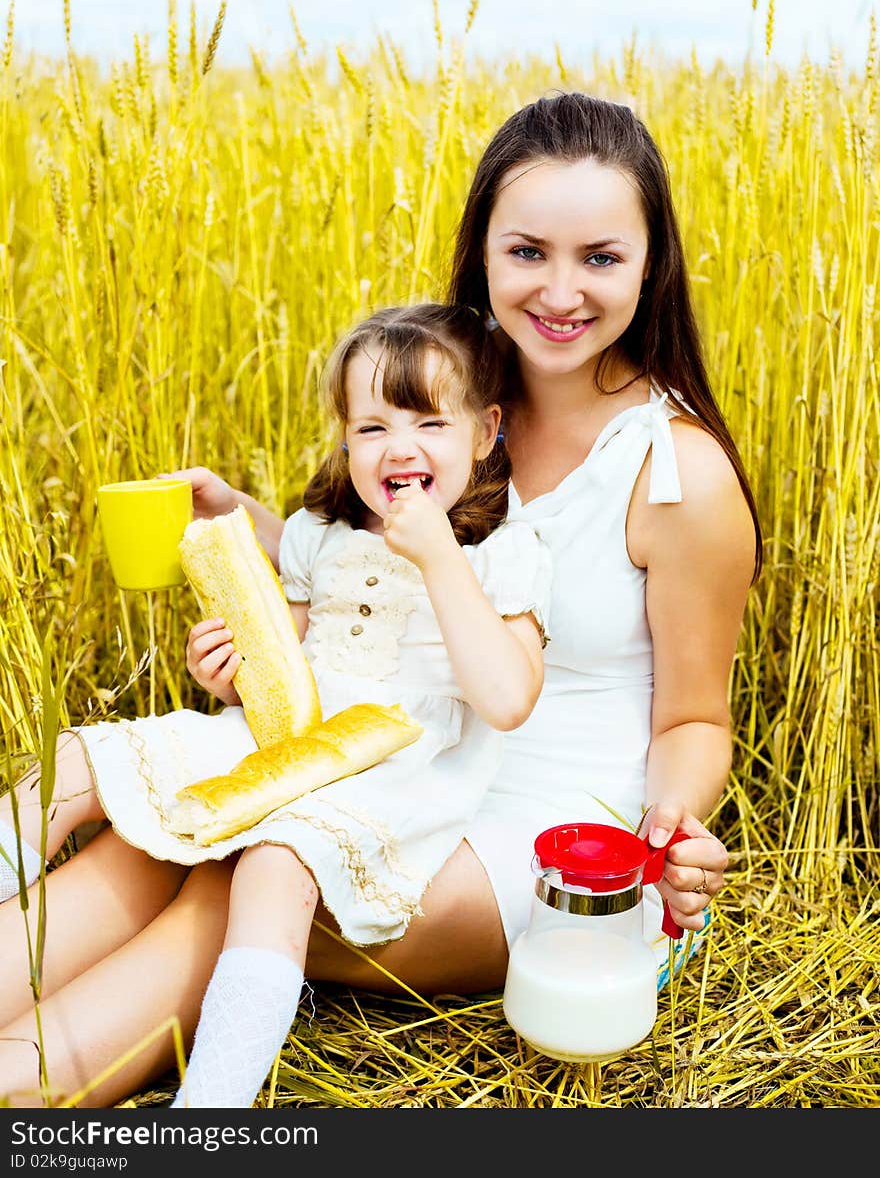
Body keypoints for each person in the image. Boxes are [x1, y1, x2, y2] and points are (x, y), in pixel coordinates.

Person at [0, 90, 759, 1109]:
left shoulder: (678, 474)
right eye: (528, 251)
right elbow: (367, 565)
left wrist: (666, 827)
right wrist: (252, 535)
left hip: (529, 823)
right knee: (169, 822)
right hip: (401, 751)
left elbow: (694, 713)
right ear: (482, 252)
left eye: (601, 257)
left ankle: (41, 1089)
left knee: (239, 871)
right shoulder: (447, 393)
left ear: (650, 263)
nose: (562, 291)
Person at [0, 303, 549, 1108]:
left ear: (486, 429)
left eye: (429, 420)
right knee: (78, 760)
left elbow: (506, 698)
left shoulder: (505, 552)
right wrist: (226, 672)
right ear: (344, 439)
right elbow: (281, 663)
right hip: (281, 745)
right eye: (370, 427)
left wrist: (440, 558)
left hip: (390, 776)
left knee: (275, 867)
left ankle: (212, 1107)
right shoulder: (322, 536)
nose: (398, 447)